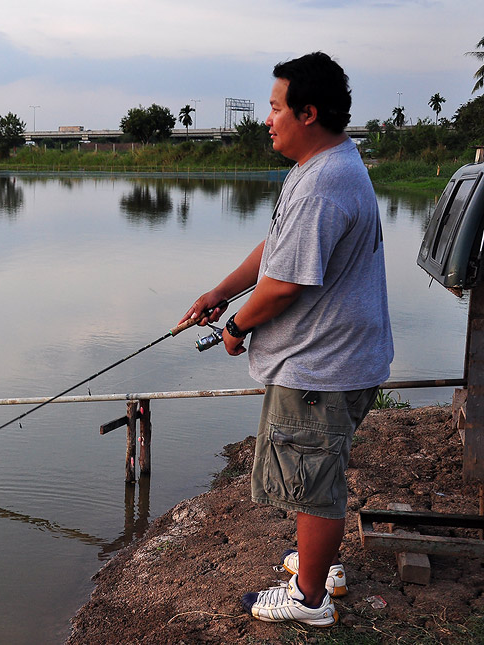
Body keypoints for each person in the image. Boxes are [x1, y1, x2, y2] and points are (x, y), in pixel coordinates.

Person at [179, 51, 393, 627]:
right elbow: (277, 250)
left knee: (313, 480)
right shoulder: (325, 165)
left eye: (275, 109)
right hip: (340, 358)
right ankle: (319, 567)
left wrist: (236, 326)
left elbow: (285, 285)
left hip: (322, 367)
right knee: (315, 470)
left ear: (309, 112)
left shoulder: (324, 182)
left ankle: (310, 600)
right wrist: (219, 293)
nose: (267, 119)